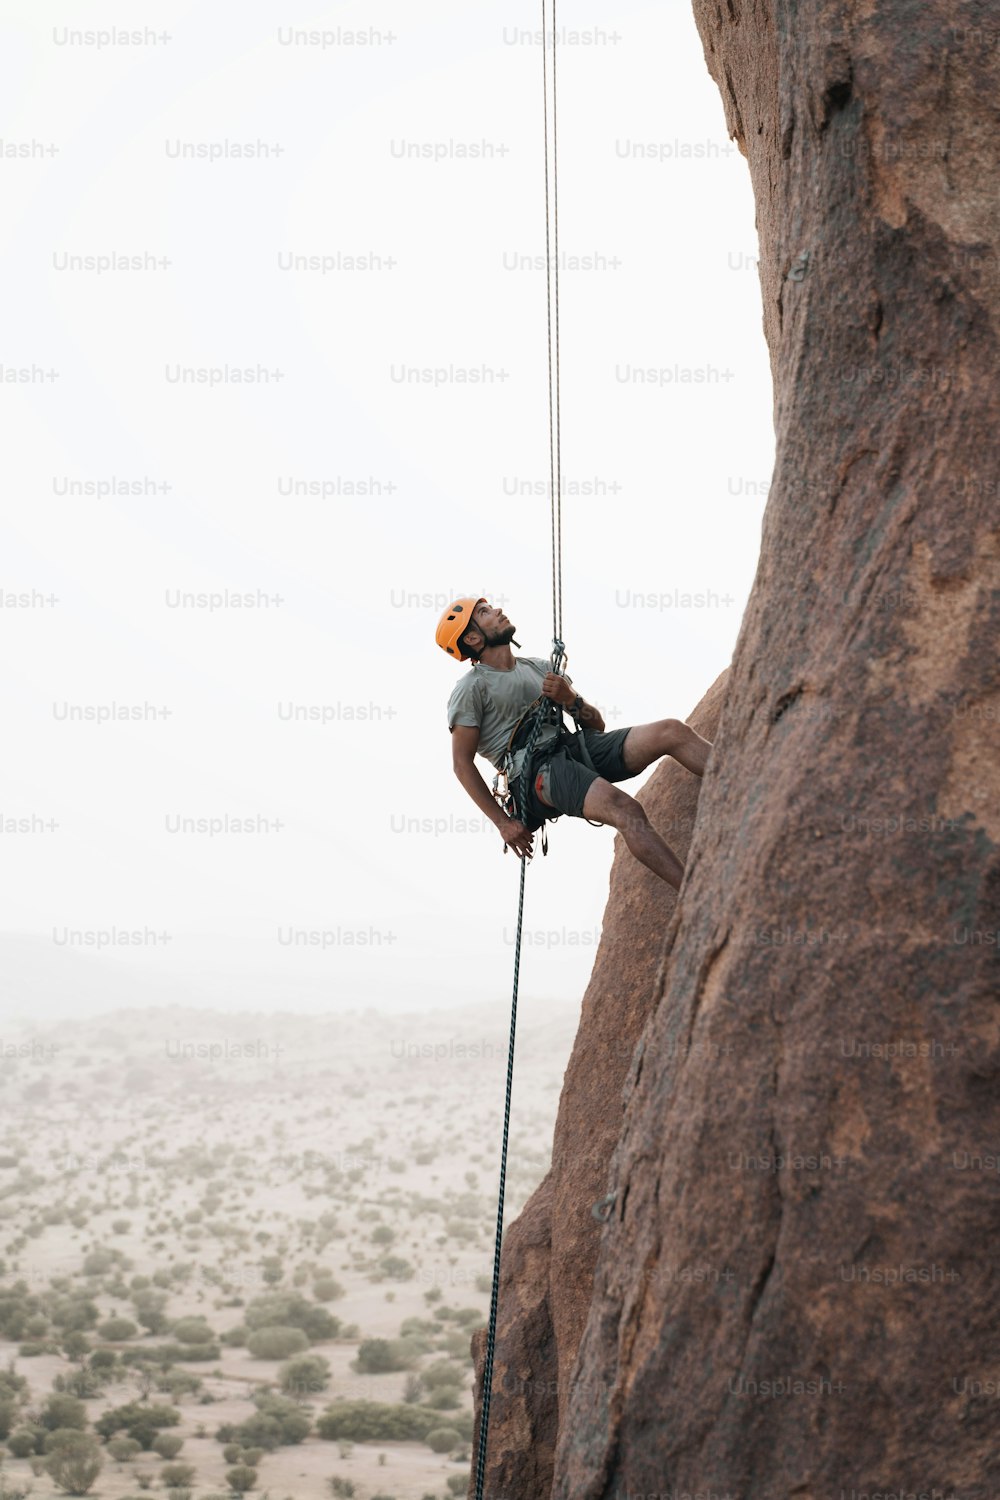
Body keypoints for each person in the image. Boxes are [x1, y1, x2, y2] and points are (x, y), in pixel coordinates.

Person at [437, 596, 712, 890]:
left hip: (571, 747)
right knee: (626, 809)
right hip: (534, 775)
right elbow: (461, 764)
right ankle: (694, 896)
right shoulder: (471, 688)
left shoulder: (540, 668)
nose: (498, 611)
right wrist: (503, 823)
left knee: (670, 731)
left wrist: (570, 698)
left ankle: (744, 775)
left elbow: (596, 724)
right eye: (484, 612)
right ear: (473, 637)